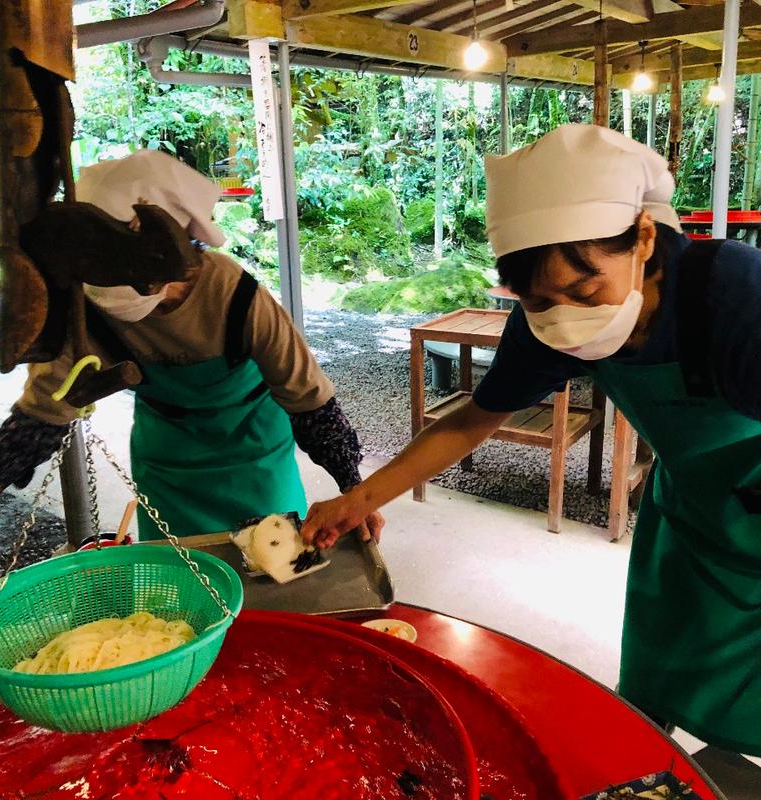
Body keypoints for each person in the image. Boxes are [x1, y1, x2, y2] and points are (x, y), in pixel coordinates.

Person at [301, 124, 761, 755]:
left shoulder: (737, 298)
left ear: (644, 239)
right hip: (689, 519)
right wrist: (359, 497)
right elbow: (472, 419)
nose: (565, 317)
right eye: (539, 299)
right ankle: (637, 765)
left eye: (585, 289)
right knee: (659, 675)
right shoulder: (544, 321)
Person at [0, 150, 383, 543]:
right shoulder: (83, 306)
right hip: (168, 456)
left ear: (180, 242)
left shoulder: (237, 297)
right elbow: (46, 409)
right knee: (177, 586)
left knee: (270, 564)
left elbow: (311, 404)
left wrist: (354, 489)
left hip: (252, 447)